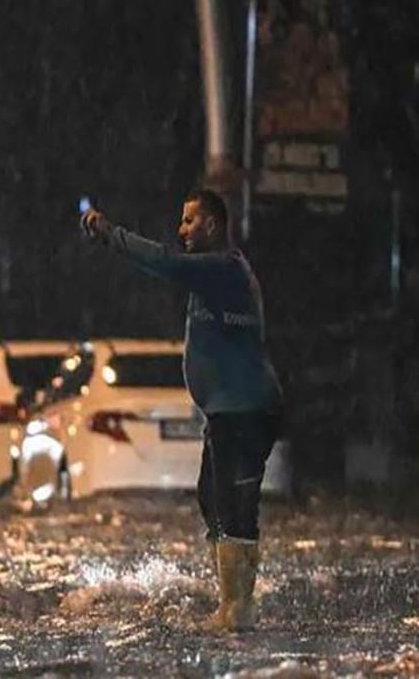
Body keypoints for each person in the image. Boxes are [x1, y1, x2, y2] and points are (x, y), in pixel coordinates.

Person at [80, 189, 283, 632]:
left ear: (211, 225)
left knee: (234, 506)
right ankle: (232, 604)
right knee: (213, 501)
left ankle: (238, 610)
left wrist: (110, 234)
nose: (182, 229)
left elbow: (165, 261)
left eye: (190, 221)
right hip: (228, 412)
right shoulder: (216, 274)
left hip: (247, 411)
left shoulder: (223, 269)